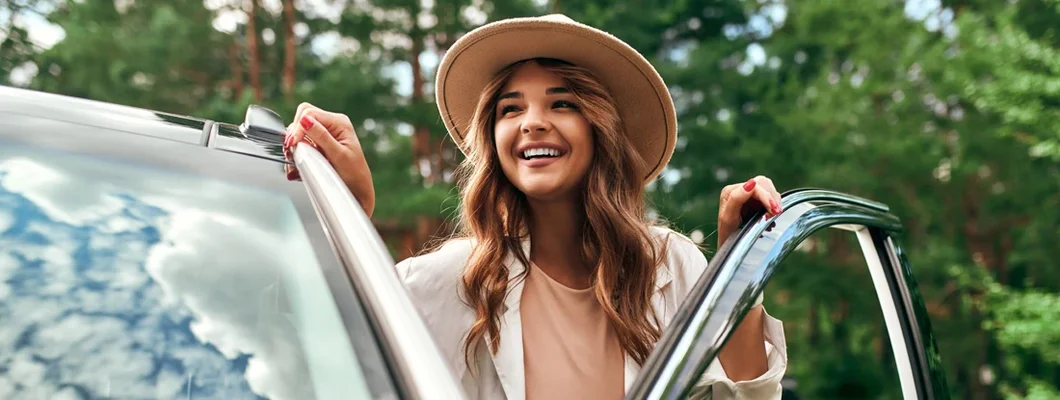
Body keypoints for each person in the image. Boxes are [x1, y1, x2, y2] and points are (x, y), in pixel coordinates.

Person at [284, 14, 787, 400]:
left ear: (601, 128)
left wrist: (740, 268)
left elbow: (746, 398)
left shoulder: (671, 265)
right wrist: (351, 211)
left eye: (562, 103)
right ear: (493, 138)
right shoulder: (446, 280)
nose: (532, 122)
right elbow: (319, 358)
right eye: (511, 109)